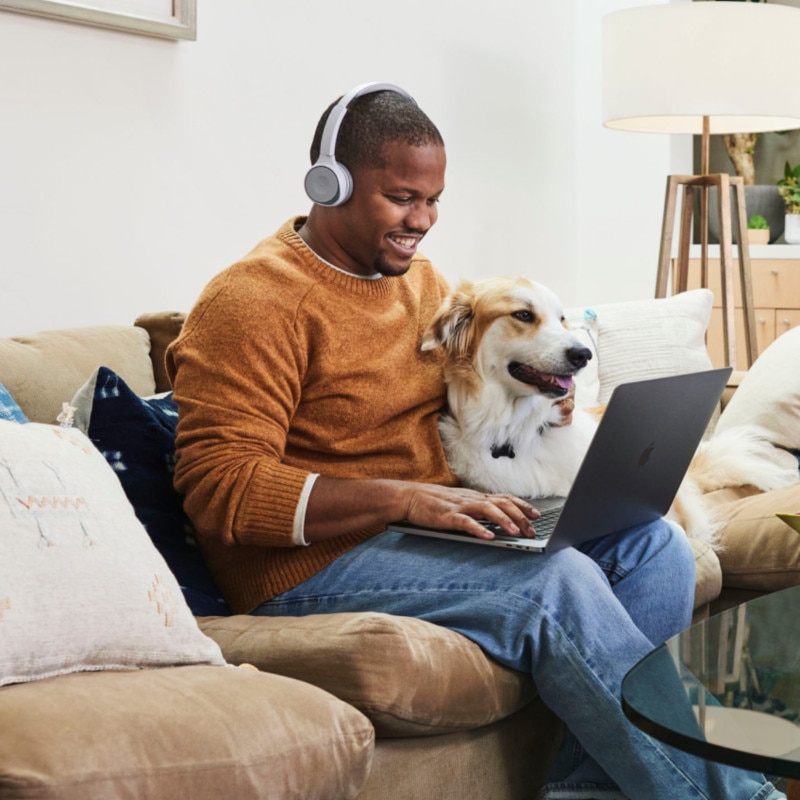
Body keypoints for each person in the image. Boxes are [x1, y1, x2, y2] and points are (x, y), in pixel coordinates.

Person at [166, 84, 785, 800]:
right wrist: (405, 500)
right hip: (304, 567)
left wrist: (543, 399)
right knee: (556, 585)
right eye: (402, 198)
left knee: (656, 548)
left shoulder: (419, 283)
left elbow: (474, 383)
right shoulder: (252, 303)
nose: (421, 221)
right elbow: (222, 491)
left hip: (427, 534)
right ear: (327, 182)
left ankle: (585, 791)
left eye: (433, 201)